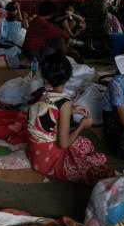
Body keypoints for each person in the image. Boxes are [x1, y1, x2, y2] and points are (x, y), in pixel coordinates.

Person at [26, 54, 108, 184]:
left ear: (44, 76)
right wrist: (82, 125)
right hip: (49, 164)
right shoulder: (64, 103)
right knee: (93, 153)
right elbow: (63, 144)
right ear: (69, 77)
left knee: (84, 144)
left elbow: (48, 110)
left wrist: (71, 110)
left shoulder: (39, 93)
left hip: (34, 155)